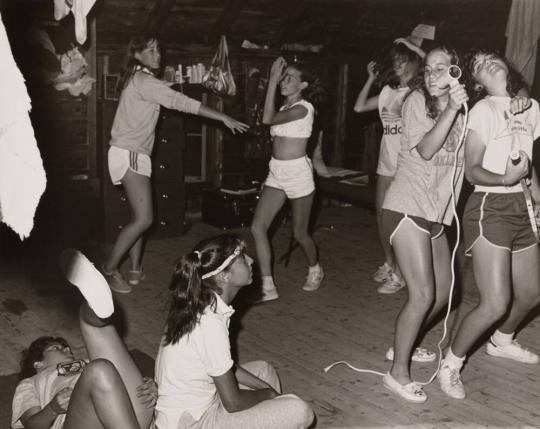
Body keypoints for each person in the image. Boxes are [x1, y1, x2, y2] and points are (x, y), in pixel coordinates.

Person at [102, 35, 248, 293]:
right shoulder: (144, 80)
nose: (158, 55)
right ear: (137, 54)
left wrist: (166, 85)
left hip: (132, 153)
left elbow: (158, 93)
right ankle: (110, 269)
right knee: (145, 218)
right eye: (151, 50)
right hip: (130, 153)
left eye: (159, 50)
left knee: (140, 217)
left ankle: (135, 270)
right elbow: (183, 102)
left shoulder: (138, 79)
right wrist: (222, 116)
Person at [437, 49, 540, 400]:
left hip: (521, 205)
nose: (487, 63)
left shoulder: (532, 107)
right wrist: (505, 178)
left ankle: (502, 340)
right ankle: (450, 363)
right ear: (477, 83)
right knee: (495, 302)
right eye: (478, 65)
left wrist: (536, 196)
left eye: (491, 58)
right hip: (488, 205)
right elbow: (472, 170)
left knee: (530, 293)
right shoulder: (482, 110)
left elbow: (528, 160)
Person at [380, 46, 469, 403]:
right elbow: (427, 150)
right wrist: (451, 108)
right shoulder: (416, 100)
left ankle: (404, 342)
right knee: (422, 294)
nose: (432, 75)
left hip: (435, 214)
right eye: (428, 69)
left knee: (445, 293)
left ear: (455, 73)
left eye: (441, 68)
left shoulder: (463, 112)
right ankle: (397, 373)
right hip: (406, 206)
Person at [154, 234, 314, 429]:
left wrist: (265, 388)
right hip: (191, 423)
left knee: (264, 371)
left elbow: (223, 366)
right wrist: (268, 394)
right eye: (242, 258)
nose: (251, 260)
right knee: (299, 410)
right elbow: (233, 403)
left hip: (199, 405)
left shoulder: (201, 304)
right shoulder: (209, 323)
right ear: (225, 276)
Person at [11, 249, 157, 429]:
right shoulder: (29, 383)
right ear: (37, 364)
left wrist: (150, 387)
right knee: (99, 370)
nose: (67, 350)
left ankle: (95, 308)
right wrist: (53, 409)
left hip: (125, 417)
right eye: (56, 348)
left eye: (66, 348)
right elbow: (31, 426)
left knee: (88, 320)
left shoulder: (86, 364)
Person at [250, 57, 325, 301]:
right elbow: (275, 137)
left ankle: (315, 268)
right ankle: (268, 286)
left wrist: (271, 79)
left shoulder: (304, 108)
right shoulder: (283, 108)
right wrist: (270, 174)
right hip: (277, 172)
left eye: (289, 78)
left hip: (298, 175)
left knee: (299, 234)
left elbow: (267, 119)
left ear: (302, 85)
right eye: (283, 77)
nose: (284, 81)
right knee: (257, 227)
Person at [354, 38, 425, 294]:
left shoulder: (420, 91)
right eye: (394, 60)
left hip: (408, 165)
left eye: (402, 60)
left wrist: (412, 46)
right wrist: (370, 79)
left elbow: (433, 65)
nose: (397, 64)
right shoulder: (387, 91)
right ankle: (391, 263)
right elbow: (359, 106)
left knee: (402, 221)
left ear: (413, 63)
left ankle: (401, 274)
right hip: (387, 162)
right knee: (382, 215)